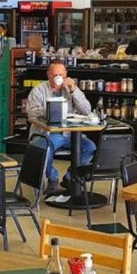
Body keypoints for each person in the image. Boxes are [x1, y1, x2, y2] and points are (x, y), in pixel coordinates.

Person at [26, 59, 96, 192]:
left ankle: (70, 177)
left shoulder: (70, 88)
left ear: (66, 75)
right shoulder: (39, 90)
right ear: (48, 74)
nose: (58, 78)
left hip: (70, 134)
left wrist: (74, 90)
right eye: (55, 75)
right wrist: (51, 109)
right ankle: (52, 177)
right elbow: (31, 113)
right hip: (48, 133)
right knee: (45, 147)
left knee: (89, 147)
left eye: (61, 75)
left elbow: (87, 110)